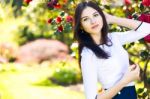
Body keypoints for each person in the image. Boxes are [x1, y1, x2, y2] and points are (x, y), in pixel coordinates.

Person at [73, 1, 150, 99]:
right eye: (85, 19)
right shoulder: (88, 54)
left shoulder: (113, 38)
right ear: (80, 25)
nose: (93, 21)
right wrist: (125, 81)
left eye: (96, 15)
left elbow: (147, 29)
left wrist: (113, 19)